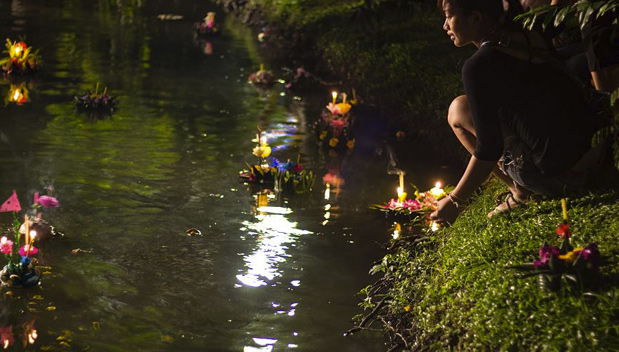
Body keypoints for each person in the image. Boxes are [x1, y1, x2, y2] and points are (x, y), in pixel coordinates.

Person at [430, 0, 606, 226]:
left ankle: (521, 192)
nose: (445, 26)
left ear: (475, 18)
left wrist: (455, 200)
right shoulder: (528, 34)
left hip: (562, 179)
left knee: (458, 110)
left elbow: (489, 148)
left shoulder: (477, 66)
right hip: (595, 153)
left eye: (449, 16)